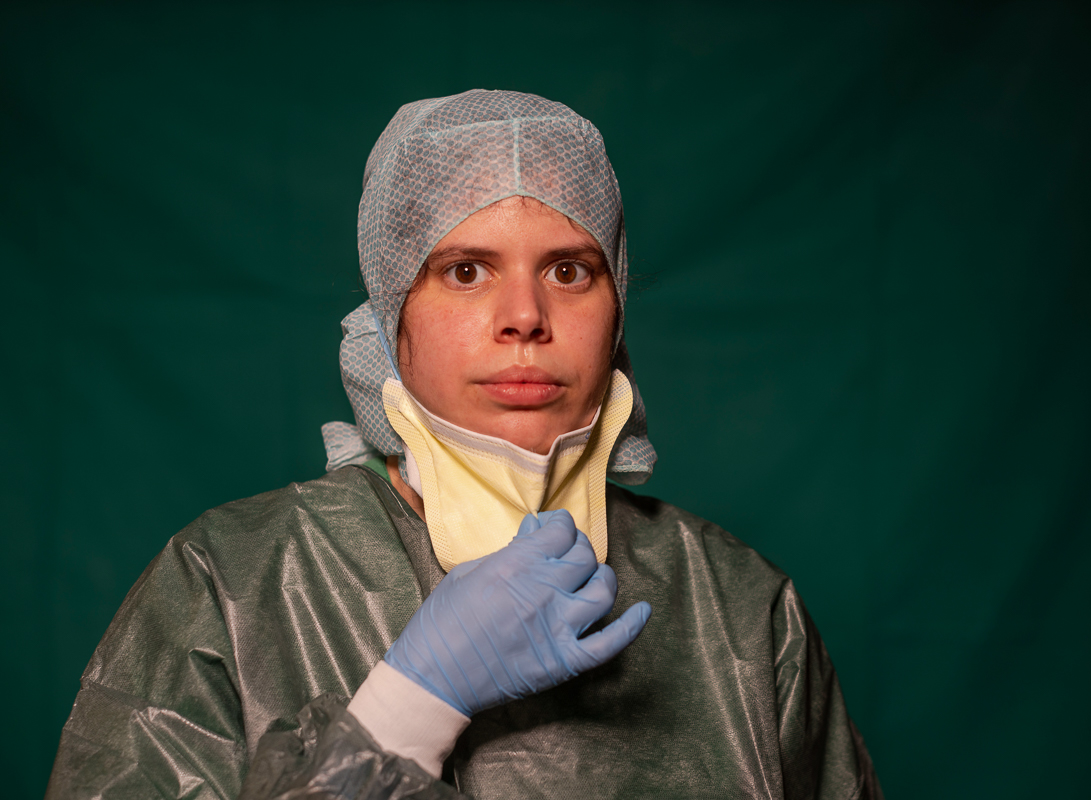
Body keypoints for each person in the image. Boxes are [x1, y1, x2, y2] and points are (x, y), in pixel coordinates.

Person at [46, 90, 882, 799]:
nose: (525, 316)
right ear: (387, 313)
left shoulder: (742, 611)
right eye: (466, 270)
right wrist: (406, 709)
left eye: (568, 270)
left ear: (616, 309)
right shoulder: (227, 586)